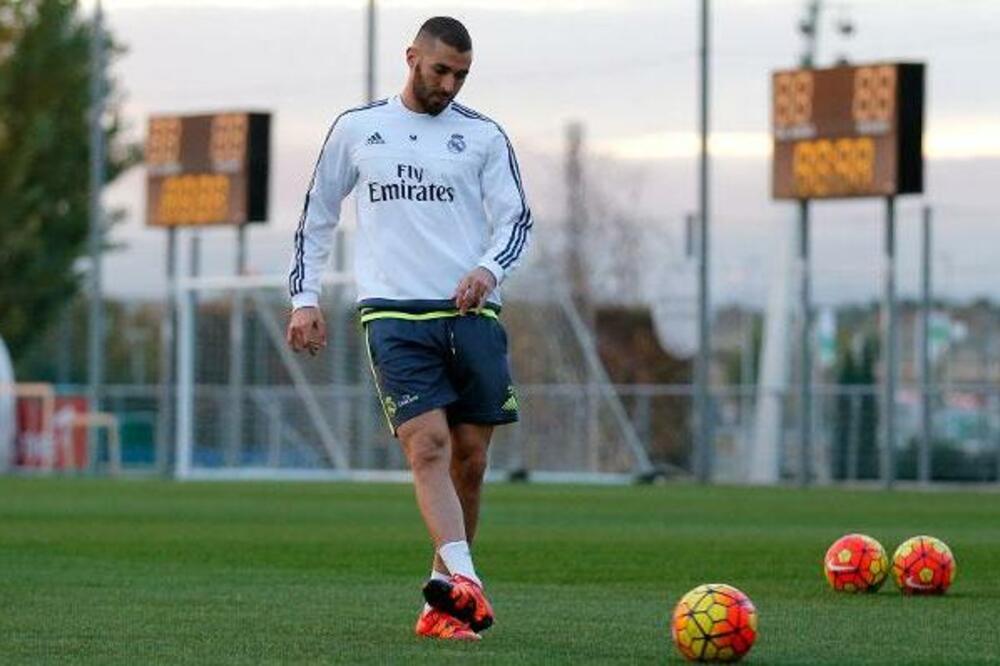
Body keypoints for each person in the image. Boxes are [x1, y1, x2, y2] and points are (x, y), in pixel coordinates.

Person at [285, 16, 532, 641]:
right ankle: (468, 583)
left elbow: (515, 220)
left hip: (471, 314)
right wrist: (304, 297)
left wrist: (488, 268)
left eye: (461, 75)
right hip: (394, 315)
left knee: (470, 462)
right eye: (441, 70)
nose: (450, 85)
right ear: (412, 57)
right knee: (427, 447)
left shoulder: (483, 137)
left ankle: (442, 604)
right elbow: (316, 214)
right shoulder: (357, 129)